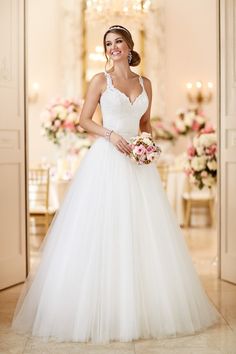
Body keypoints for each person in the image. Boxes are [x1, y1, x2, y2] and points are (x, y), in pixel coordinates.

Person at [12, 25, 220, 344]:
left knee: (142, 231)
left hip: (137, 165)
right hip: (106, 160)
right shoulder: (100, 80)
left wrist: (147, 145)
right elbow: (84, 120)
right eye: (108, 44)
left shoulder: (145, 82)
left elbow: (146, 122)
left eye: (118, 42)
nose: (113, 48)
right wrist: (110, 135)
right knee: (103, 229)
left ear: (130, 45)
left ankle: (142, 305)